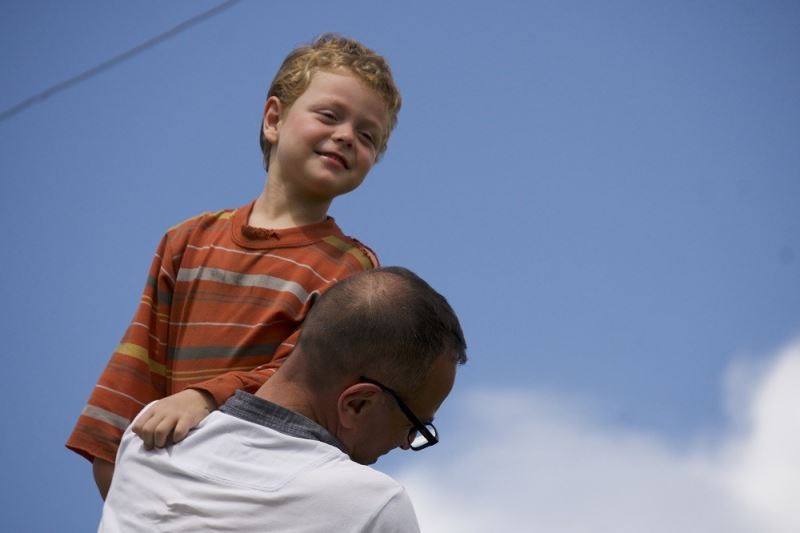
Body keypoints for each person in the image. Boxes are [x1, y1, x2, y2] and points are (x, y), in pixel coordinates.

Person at [67, 34, 402, 499]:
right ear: (273, 119)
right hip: (161, 485)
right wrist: (120, 475)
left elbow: (302, 378)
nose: (347, 135)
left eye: (368, 136)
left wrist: (203, 398)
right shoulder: (187, 241)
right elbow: (139, 362)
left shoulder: (350, 269)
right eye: (329, 116)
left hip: (259, 491)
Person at [98, 267, 467, 532]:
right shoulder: (371, 507)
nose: (406, 444)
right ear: (358, 403)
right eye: (414, 425)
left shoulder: (149, 436)